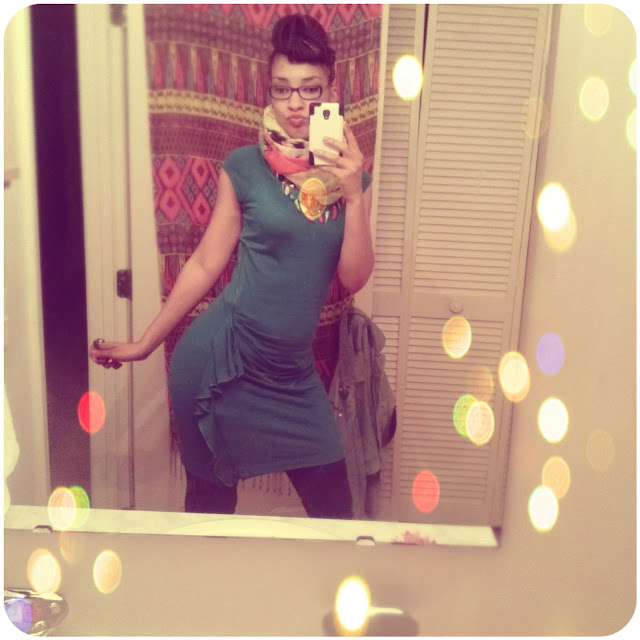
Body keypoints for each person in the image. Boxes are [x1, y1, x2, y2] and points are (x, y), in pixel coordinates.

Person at [90, 15, 374, 519]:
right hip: (219, 365)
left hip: (292, 377)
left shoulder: (352, 179)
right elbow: (205, 263)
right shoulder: (245, 167)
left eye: (310, 89)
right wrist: (145, 343)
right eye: (282, 88)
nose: (294, 104)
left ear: (331, 90)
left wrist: (353, 196)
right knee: (211, 515)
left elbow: (352, 278)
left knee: (336, 518)